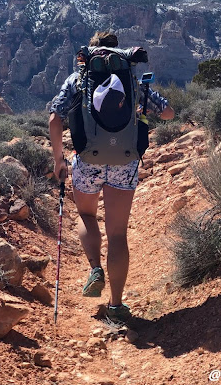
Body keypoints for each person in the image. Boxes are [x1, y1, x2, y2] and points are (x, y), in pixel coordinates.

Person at [49, 30, 174, 321]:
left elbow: (55, 118)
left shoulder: (78, 79)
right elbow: (168, 113)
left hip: (87, 160)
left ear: (92, 52)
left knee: (87, 217)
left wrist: (58, 160)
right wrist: (143, 107)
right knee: (117, 234)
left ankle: (95, 268)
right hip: (124, 162)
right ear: (119, 52)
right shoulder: (131, 81)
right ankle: (116, 306)